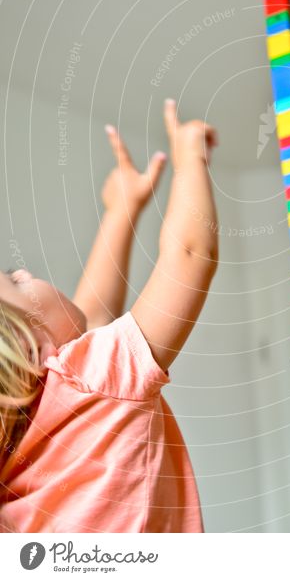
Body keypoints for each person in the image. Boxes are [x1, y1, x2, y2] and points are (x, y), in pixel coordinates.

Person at [0, 99, 219, 532]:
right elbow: (191, 255)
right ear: (34, 351)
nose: (24, 271)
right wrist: (189, 154)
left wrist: (122, 210)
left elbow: (93, 314)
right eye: (16, 282)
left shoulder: (18, 467)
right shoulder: (88, 383)